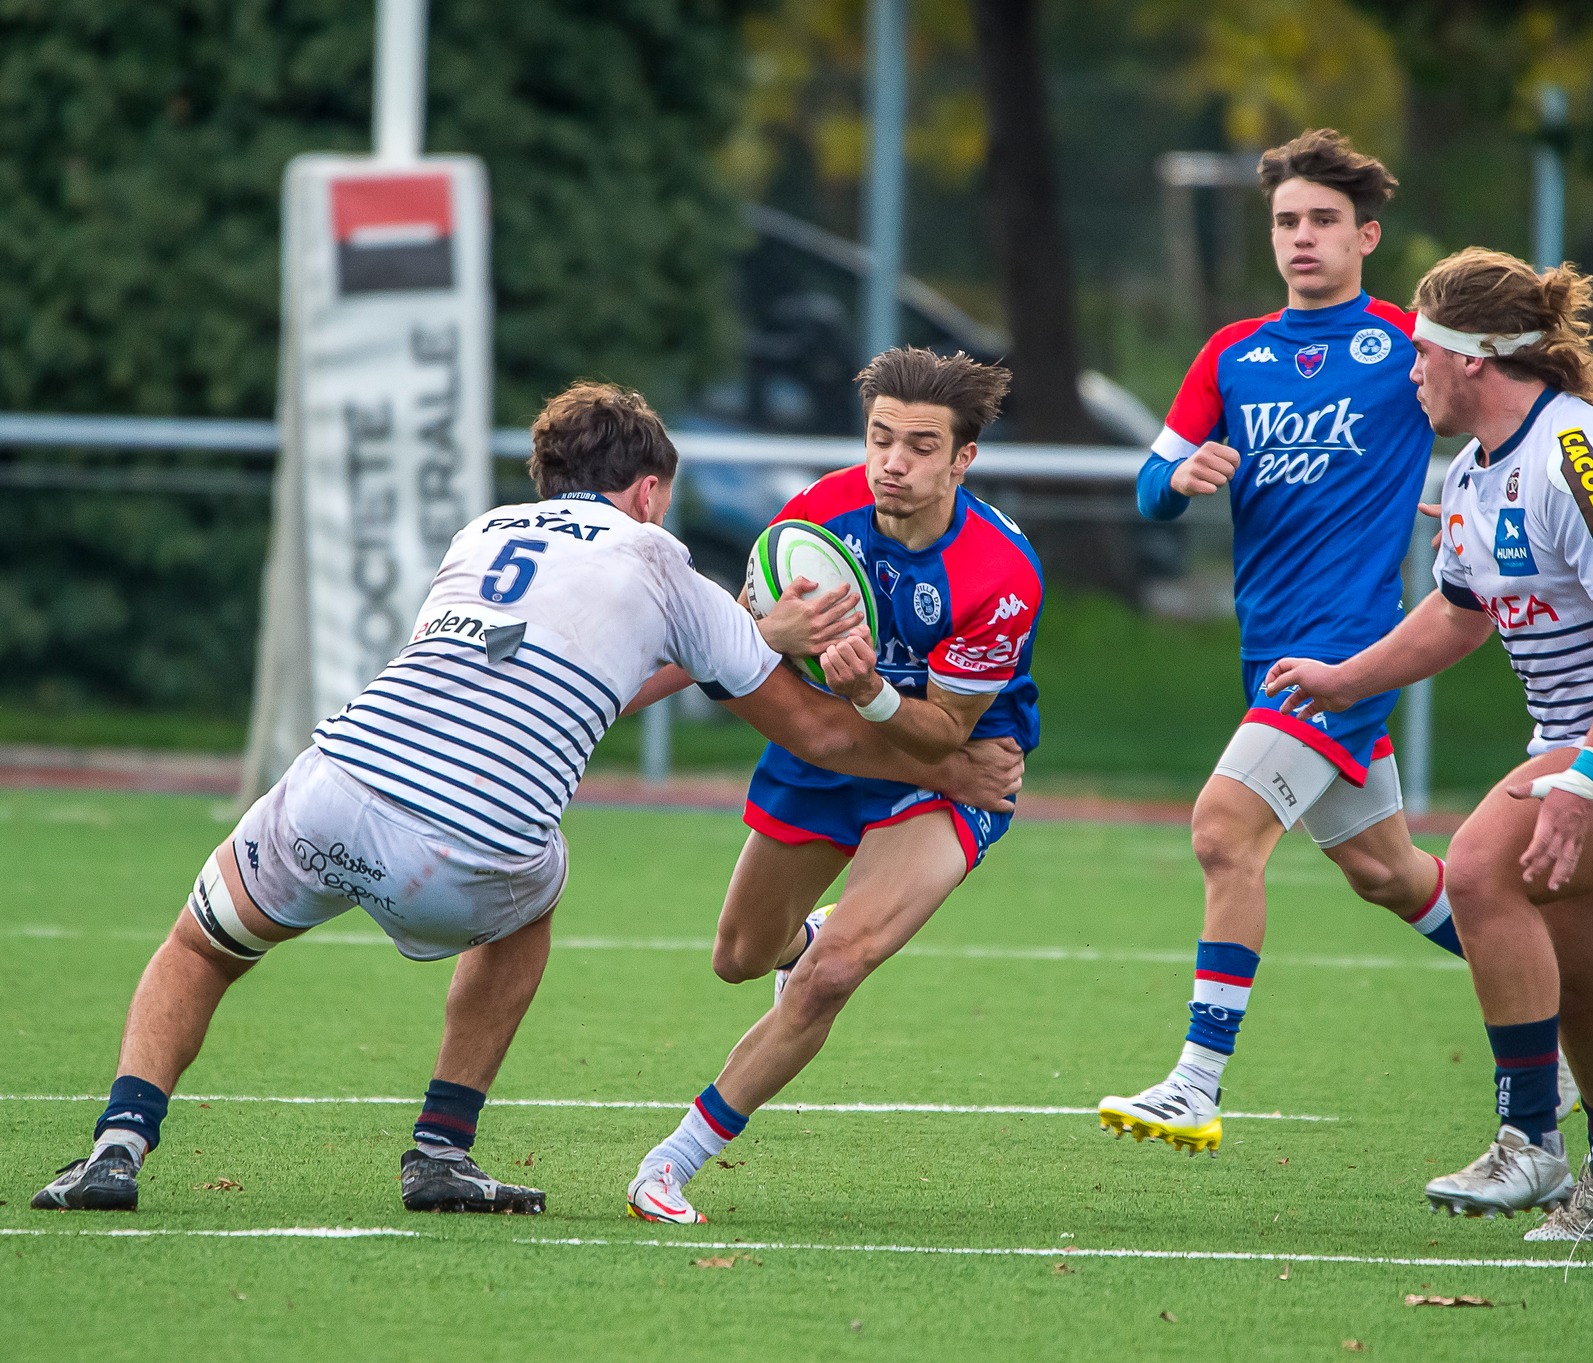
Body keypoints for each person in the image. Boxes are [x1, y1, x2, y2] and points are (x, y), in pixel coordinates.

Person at [30, 381, 1021, 1216]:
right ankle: (441, 1148)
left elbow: (584, 668)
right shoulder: (658, 560)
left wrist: (753, 625)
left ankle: (117, 1146)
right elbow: (810, 730)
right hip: (466, 855)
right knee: (534, 894)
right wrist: (944, 768)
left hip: (332, 788)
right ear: (646, 491)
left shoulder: (483, 532)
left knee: (202, 943)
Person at [1098, 129, 1582, 1158]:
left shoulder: (1406, 346)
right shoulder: (1230, 353)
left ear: (1366, 235)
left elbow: (1511, 418)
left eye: (1322, 220)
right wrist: (1175, 486)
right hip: (1267, 649)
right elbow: (1146, 484)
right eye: (1285, 221)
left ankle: (1194, 1080)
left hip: (1349, 651)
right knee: (1390, 873)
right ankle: (1563, 1034)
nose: (1301, 238)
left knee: (1222, 832)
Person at [1269, 248, 1593, 1241]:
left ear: (1473, 358)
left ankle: (1526, 1139)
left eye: (1421, 352)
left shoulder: (1577, 457)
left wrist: (1583, 778)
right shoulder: (1474, 471)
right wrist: (1341, 677)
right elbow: (1456, 617)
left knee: (1479, 868)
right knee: (1581, 975)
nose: (1409, 370)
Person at [625, 348, 1043, 1226]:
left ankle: (672, 1164)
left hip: (949, 773)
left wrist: (871, 690)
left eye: (921, 446)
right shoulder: (818, 514)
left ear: (963, 460)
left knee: (832, 973)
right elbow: (745, 636)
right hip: (826, 750)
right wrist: (769, 627)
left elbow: (944, 736)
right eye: (881, 438)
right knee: (741, 956)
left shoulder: (1001, 574)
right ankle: (804, 938)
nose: (893, 461)